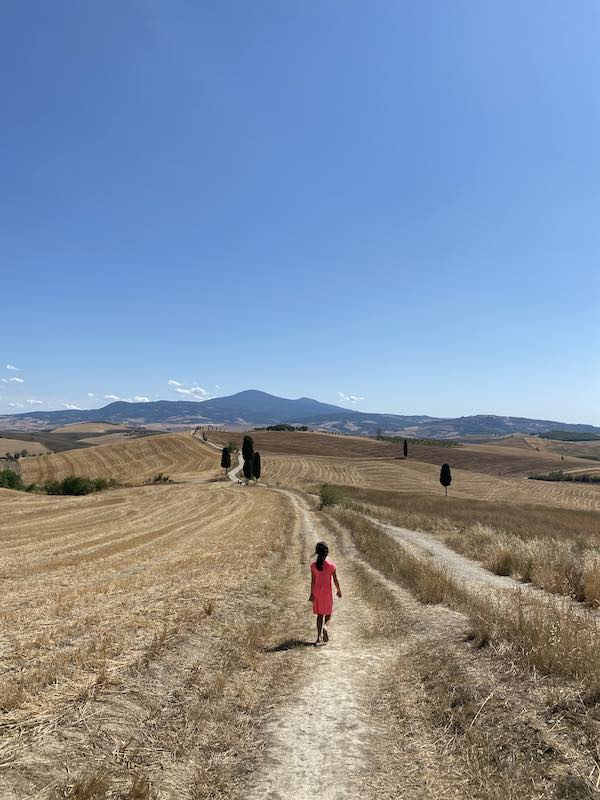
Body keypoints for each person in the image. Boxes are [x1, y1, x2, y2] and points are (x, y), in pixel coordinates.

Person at [309, 541, 342, 646]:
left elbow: (313, 581)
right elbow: (335, 580)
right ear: (327, 553)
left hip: (317, 592)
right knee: (328, 613)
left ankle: (318, 637)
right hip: (327, 593)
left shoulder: (313, 566)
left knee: (319, 615)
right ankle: (325, 627)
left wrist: (311, 594)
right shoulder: (331, 566)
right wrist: (338, 590)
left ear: (317, 552)